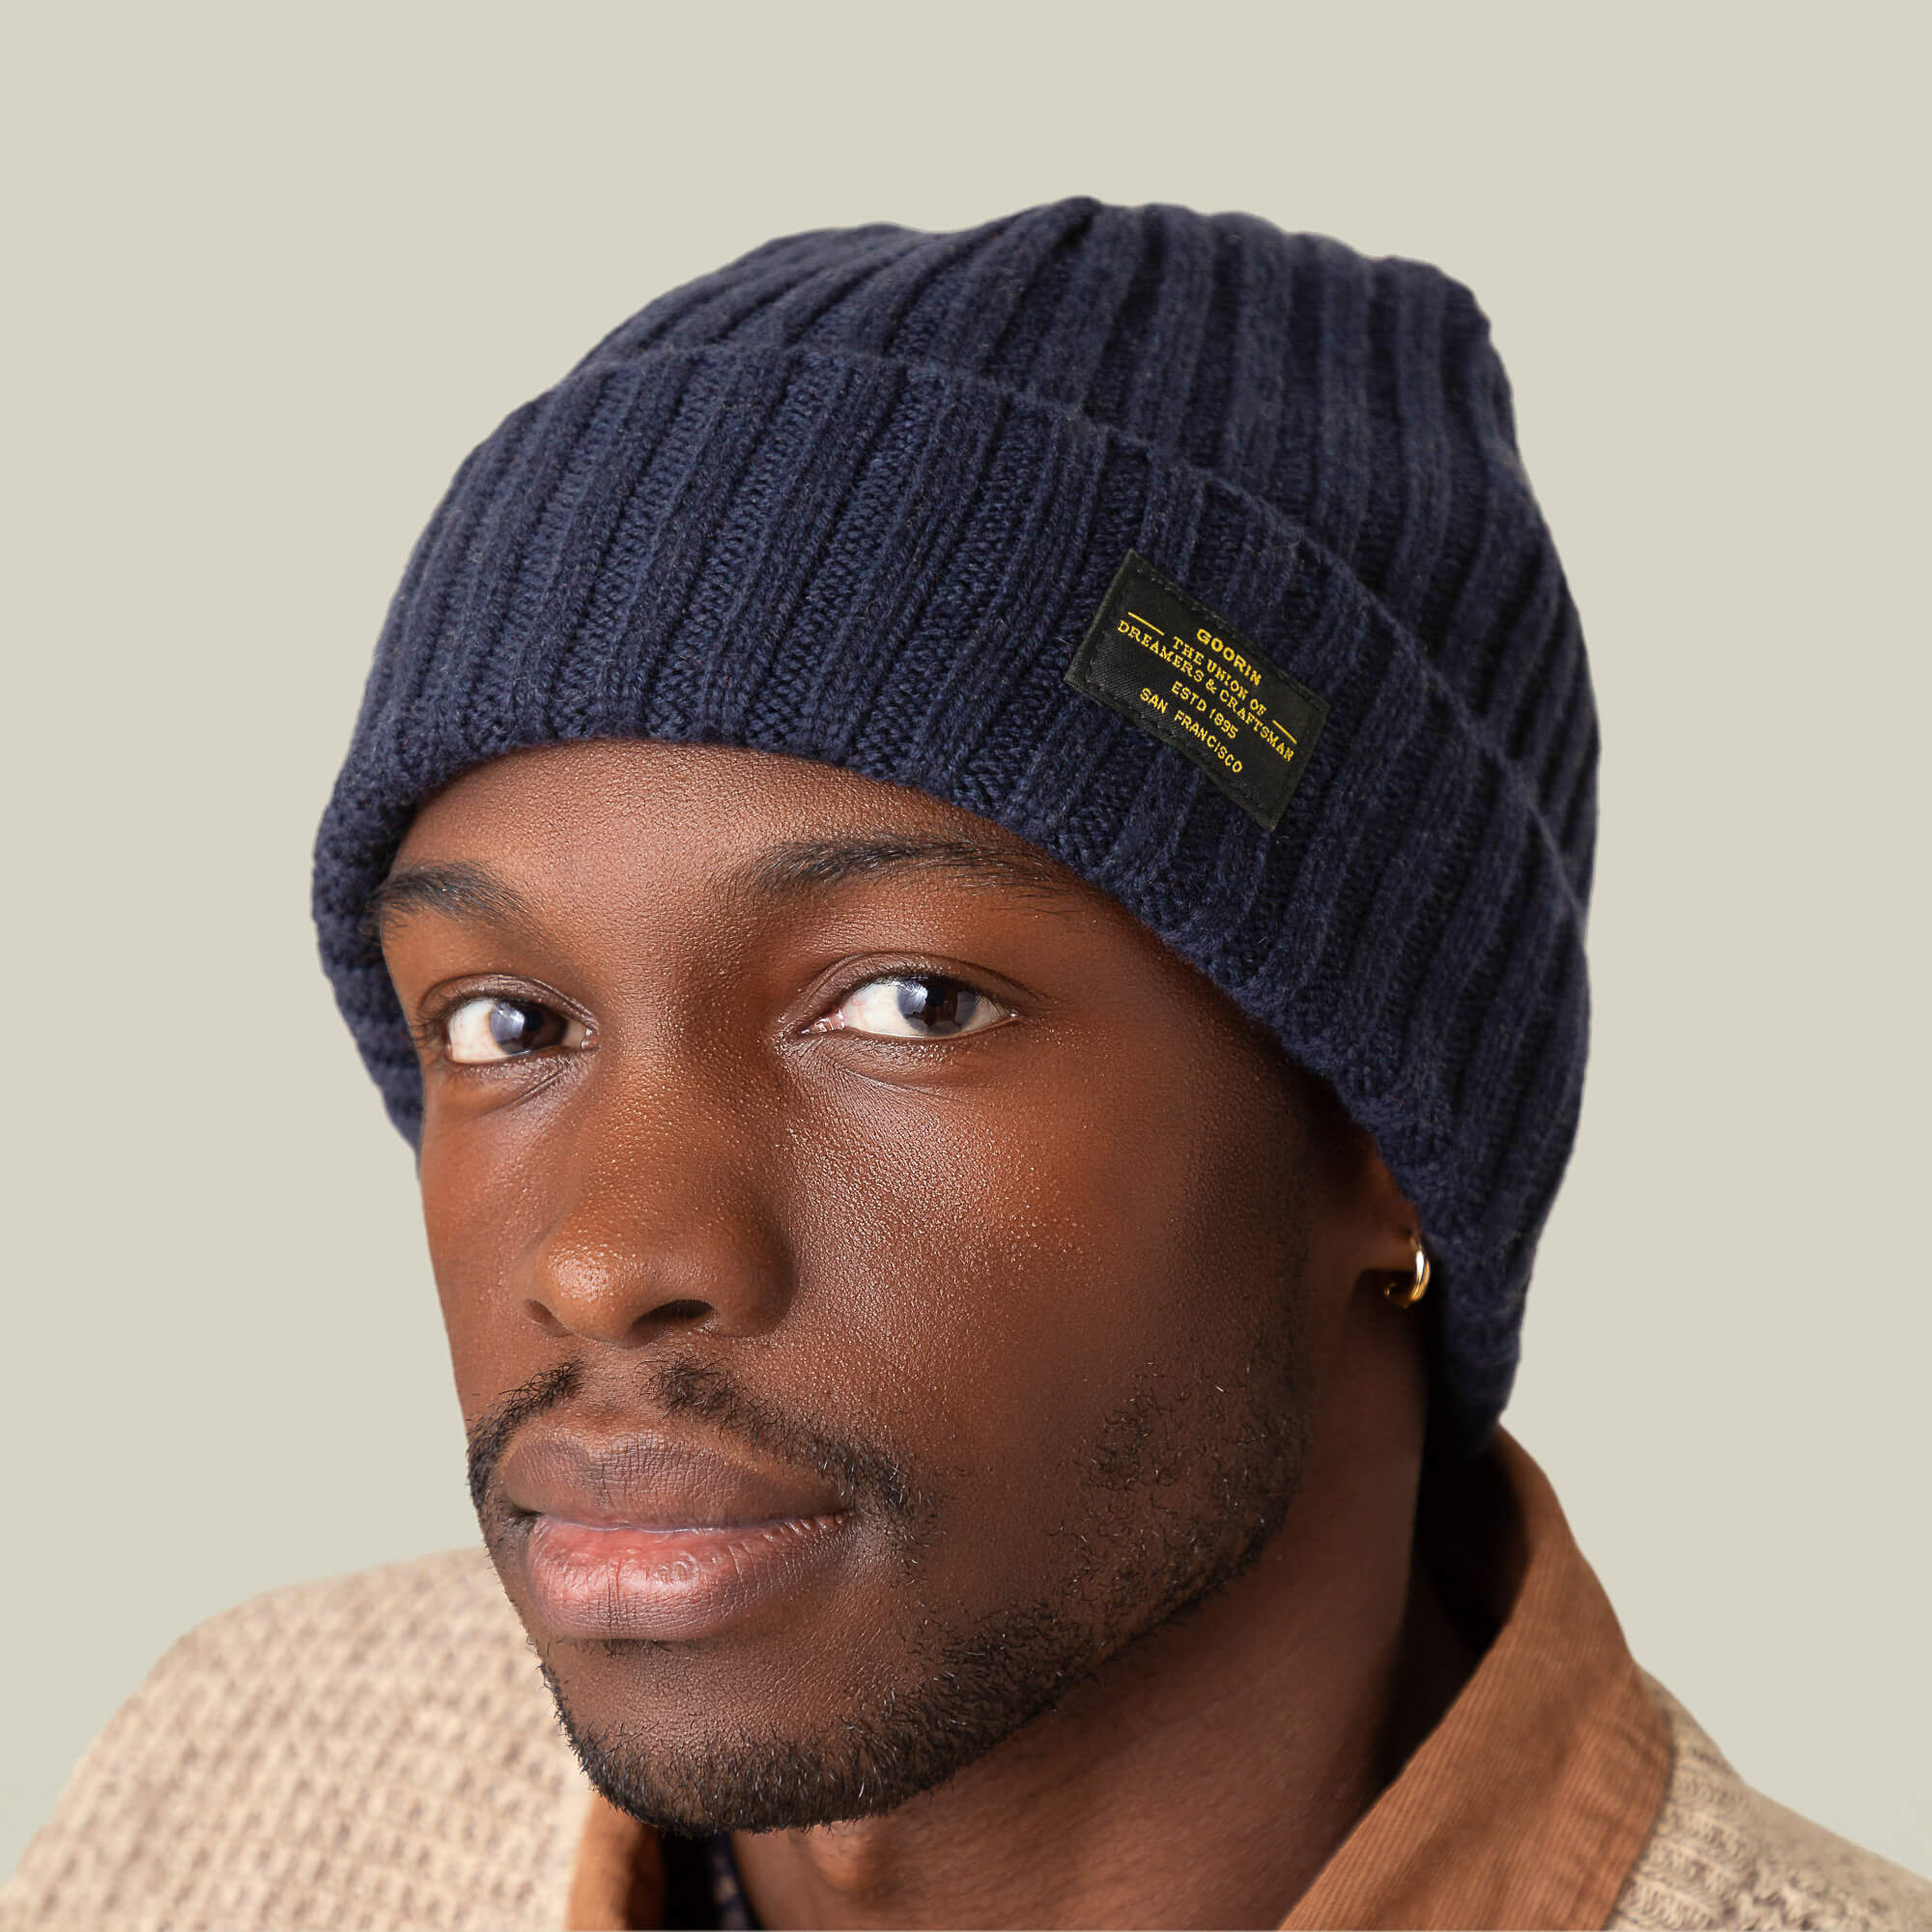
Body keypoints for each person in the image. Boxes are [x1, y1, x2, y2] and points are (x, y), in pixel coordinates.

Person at [6, 198, 1925, 1932]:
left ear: (1380, 1126)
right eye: (508, 1024)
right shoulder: (230, 1774)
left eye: (908, 1005)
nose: (599, 1260)